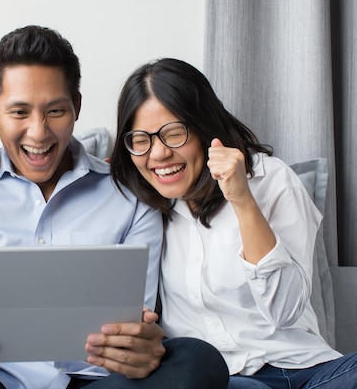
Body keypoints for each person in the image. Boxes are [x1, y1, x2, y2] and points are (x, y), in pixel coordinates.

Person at [0, 25, 229, 389]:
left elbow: (136, 321)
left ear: (77, 107)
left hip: (96, 380)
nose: (38, 132)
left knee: (200, 362)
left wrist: (140, 345)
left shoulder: (130, 194)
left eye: (55, 111)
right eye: (19, 113)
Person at [109, 57, 357, 389]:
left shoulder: (271, 180)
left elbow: (285, 310)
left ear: (205, 128)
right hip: (219, 379)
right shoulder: (143, 208)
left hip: (304, 371)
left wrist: (242, 200)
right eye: (141, 140)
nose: (158, 154)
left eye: (174, 133)